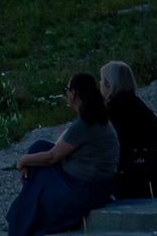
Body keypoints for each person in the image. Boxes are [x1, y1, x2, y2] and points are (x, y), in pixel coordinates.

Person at [6, 72, 117, 236]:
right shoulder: (93, 118)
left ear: (73, 94)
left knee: (37, 171)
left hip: (84, 186)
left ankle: (25, 213)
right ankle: (28, 201)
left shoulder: (85, 124)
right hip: (90, 179)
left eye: (67, 89)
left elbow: (52, 157)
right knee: (39, 146)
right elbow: (60, 143)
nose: (66, 93)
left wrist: (23, 161)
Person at [102, 61, 157, 201]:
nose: (100, 85)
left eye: (101, 81)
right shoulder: (139, 106)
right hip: (153, 178)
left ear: (109, 85)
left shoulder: (113, 110)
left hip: (132, 180)